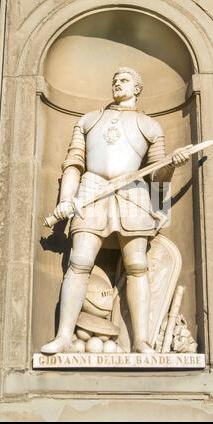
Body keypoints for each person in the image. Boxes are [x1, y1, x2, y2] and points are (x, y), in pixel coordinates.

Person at [41, 67, 190, 354]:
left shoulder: (150, 125)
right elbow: (74, 163)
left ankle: (141, 341)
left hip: (133, 193)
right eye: (114, 80)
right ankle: (63, 336)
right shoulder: (88, 119)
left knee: (137, 266)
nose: (117, 84)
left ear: (137, 88)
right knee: (79, 262)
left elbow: (157, 176)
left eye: (124, 80)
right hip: (91, 189)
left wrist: (173, 164)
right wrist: (66, 198)